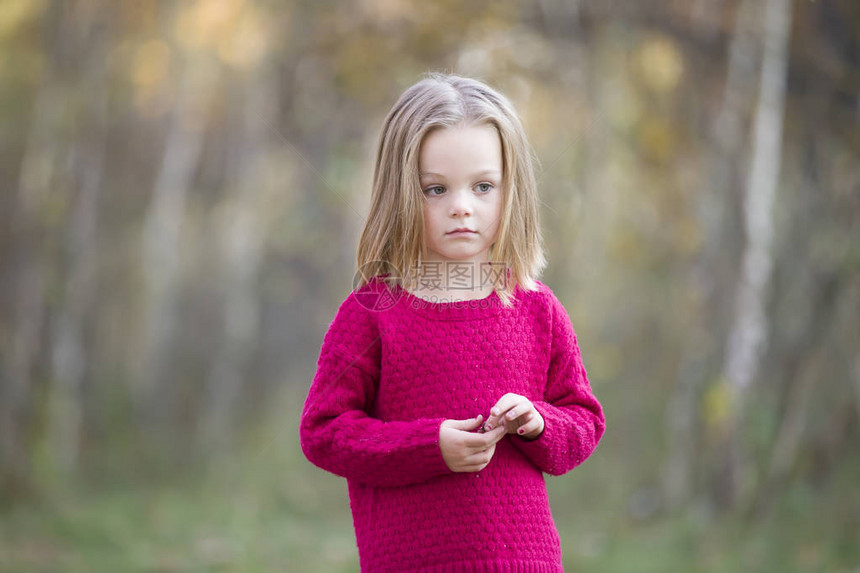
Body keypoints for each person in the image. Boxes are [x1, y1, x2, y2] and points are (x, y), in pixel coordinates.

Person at [299, 71, 606, 572]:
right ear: (400, 192)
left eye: (483, 186)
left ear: (512, 191)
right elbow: (324, 431)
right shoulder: (373, 312)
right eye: (435, 189)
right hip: (412, 559)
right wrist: (429, 446)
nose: (462, 207)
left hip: (524, 560)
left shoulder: (535, 308)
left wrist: (537, 422)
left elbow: (584, 421)